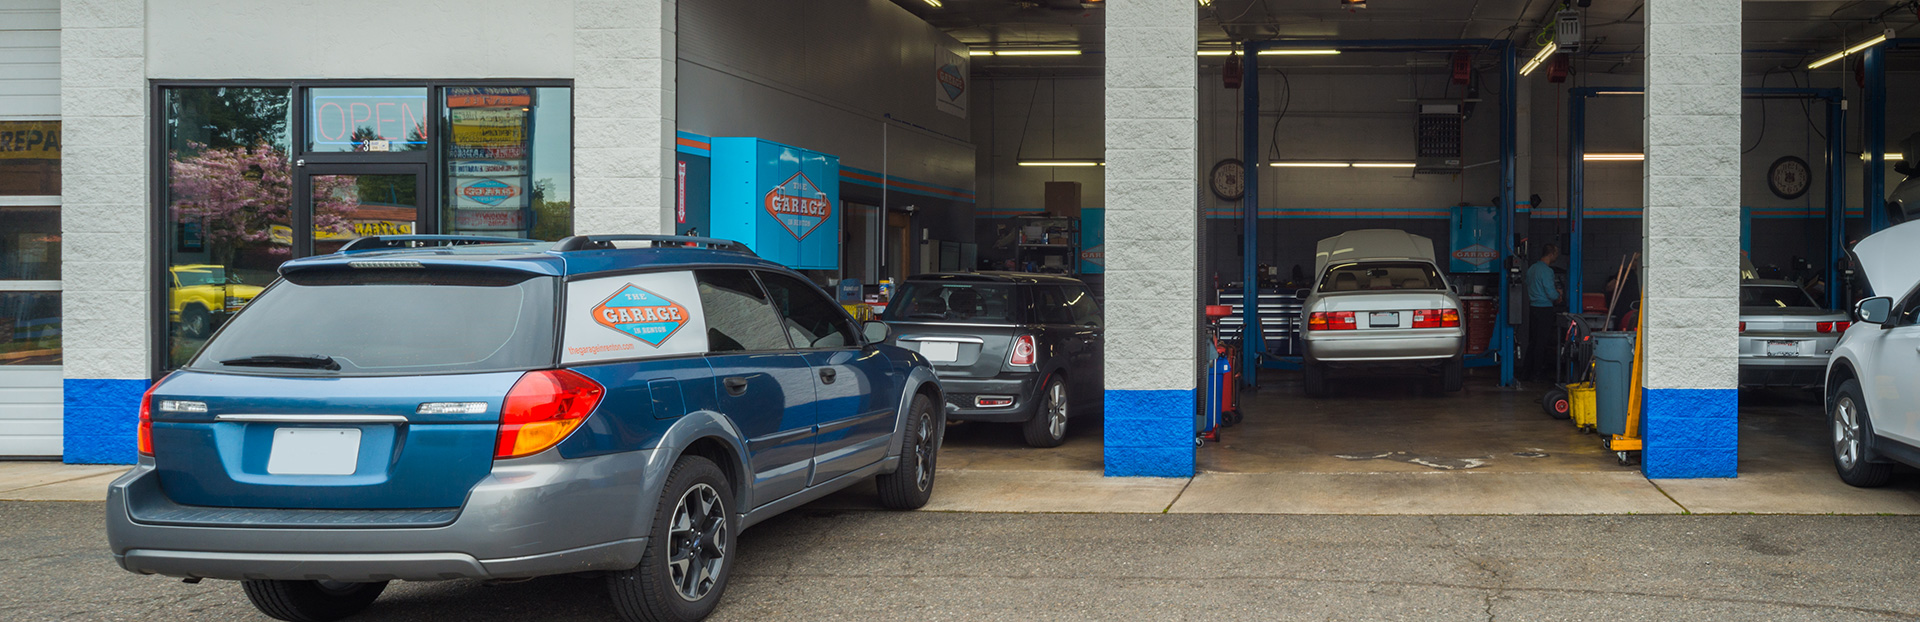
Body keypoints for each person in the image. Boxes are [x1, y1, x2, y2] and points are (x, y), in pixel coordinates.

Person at [1523, 244, 1562, 383]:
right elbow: (1550, 293)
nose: (1557, 256)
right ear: (1551, 253)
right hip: (1544, 309)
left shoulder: (1532, 269)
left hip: (1533, 308)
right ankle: (1537, 374)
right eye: (1556, 253)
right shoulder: (1547, 271)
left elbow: (1528, 285)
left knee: (1534, 342)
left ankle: (1526, 372)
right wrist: (1558, 294)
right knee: (1542, 343)